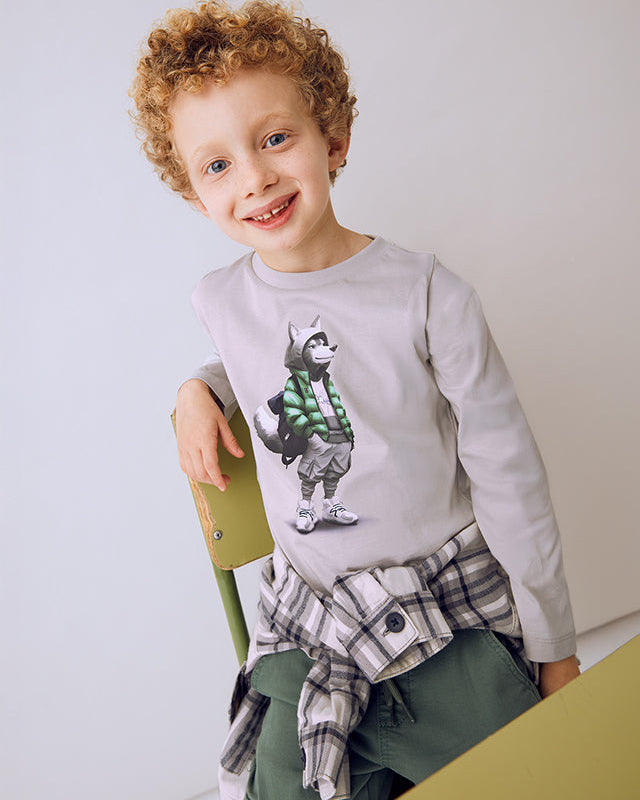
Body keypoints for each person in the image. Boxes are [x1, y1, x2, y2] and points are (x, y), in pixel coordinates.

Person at [130, 2, 580, 798]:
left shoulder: (428, 295)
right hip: (314, 633)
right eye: (218, 165)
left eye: (275, 138)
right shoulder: (221, 300)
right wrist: (200, 387)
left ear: (332, 138)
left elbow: (511, 477)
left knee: (543, 781)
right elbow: (252, 351)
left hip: (443, 626)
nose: (255, 178)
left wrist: (554, 645)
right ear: (196, 194)